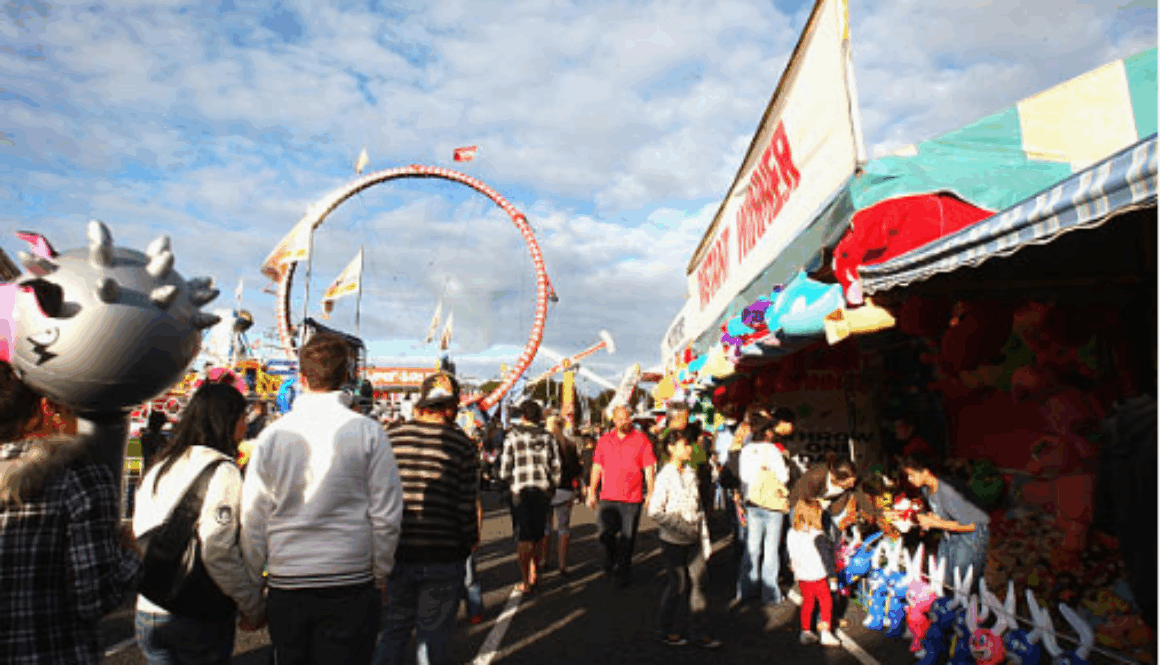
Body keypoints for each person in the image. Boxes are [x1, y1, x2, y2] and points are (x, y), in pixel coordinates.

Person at [241, 333, 404, 665]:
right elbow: (387, 514)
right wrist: (380, 572)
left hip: (288, 578)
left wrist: (253, 586)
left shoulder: (272, 436)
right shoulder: (369, 432)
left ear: (301, 378)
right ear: (345, 376)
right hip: (351, 577)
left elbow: (253, 517)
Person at [0, 360, 143, 664]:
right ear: (48, 408)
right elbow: (95, 598)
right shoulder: (78, 476)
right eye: (71, 407)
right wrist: (131, 554)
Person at [134, 383, 266, 664]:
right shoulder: (222, 470)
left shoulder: (160, 465)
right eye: (243, 417)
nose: (246, 425)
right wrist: (251, 605)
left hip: (149, 606)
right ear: (227, 421)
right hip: (196, 612)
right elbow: (217, 551)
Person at [375, 372, 480, 665]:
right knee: (432, 636)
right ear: (451, 407)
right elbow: (465, 505)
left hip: (398, 551)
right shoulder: (462, 445)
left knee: (394, 629)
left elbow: (378, 499)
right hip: (443, 553)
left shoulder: (391, 438)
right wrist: (470, 541)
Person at [648, 429, 721, 649]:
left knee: (699, 582)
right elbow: (654, 511)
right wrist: (679, 525)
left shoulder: (690, 472)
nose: (689, 449)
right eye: (684, 445)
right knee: (677, 585)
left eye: (689, 444)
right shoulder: (665, 476)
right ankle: (665, 629)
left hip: (694, 538)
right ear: (671, 448)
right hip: (672, 540)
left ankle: (698, 631)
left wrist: (702, 534)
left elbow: (698, 507)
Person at [897, 453, 991, 593]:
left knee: (962, 584)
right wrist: (931, 518)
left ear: (925, 471)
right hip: (951, 534)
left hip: (971, 537)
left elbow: (972, 525)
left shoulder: (948, 490)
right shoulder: (926, 489)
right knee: (943, 578)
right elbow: (945, 513)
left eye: (911, 475)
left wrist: (935, 523)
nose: (909, 479)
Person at [588, 405, 656, 588]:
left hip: (632, 498)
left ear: (630, 418)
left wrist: (651, 491)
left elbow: (648, 467)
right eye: (619, 419)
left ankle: (623, 572)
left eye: (626, 418)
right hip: (608, 497)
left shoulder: (641, 439)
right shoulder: (604, 440)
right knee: (605, 534)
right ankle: (611, 558)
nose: (623, 422)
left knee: (628, 538)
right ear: (613, 420)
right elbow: (597, 466)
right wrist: (592, 490)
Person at [498, 401, 561, 593]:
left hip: (521, 490)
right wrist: (552, 486)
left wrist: (507, 483)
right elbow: (556, 467)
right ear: (539, 416)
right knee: (539, 534)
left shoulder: (512, 436)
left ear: (523, 416)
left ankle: (525, 580)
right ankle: (536, 572)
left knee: (524, 536)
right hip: (542, 490)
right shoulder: (548, 437)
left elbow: (505, 469)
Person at [736, 416, 791, 605]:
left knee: (752, 547)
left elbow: (743, 477)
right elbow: (783, 477)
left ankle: (746, 589)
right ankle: (770, 593)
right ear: (767, 432)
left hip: (752, 502)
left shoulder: (745, 450)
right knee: (771, 548)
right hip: (772, 504)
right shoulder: (772, 450)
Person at [787, 499, 840, 646]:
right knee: (826, 602)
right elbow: (826, 558)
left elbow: (791, 554)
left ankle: (805, 630)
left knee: (808, 602)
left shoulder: (792, 532)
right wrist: (833, 577)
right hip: (818, 574)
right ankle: (825, 632)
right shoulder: (818, 535)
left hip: (802, 574)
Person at [545, 414, 582, 576]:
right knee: (563, 528)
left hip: (547, 490)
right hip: (565, 489)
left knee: (545, 527)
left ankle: (544, 559)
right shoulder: (570, 445)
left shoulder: (544, 443)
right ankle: (562, 564)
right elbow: (576, 470)